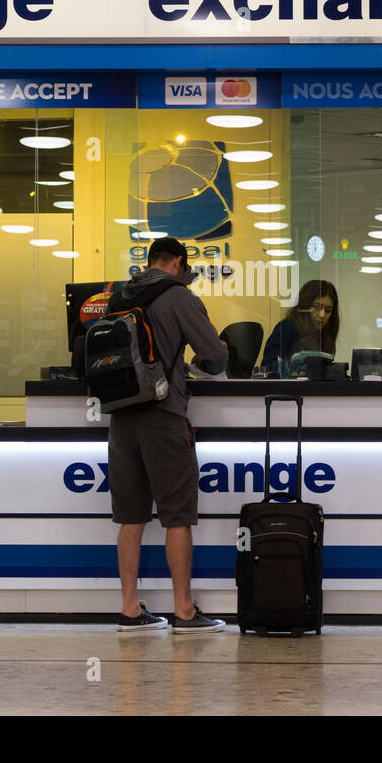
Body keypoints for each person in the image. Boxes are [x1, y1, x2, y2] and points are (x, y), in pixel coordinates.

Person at [105, 236, 230, 634]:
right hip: (163, 413)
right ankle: (184, 612)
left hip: (121, 416)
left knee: (131, 517)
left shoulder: (118, 295)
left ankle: (129, 609)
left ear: (150, 261)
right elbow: (217, 353)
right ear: (178, 262)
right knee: (177, 516)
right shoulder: (179, 296)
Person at [261, 279, 340, 378]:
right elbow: (268, 369)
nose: (322, 315)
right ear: (305, 306)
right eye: (317, 307)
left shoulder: (323, 335)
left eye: (328, 310)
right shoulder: (286, 328)